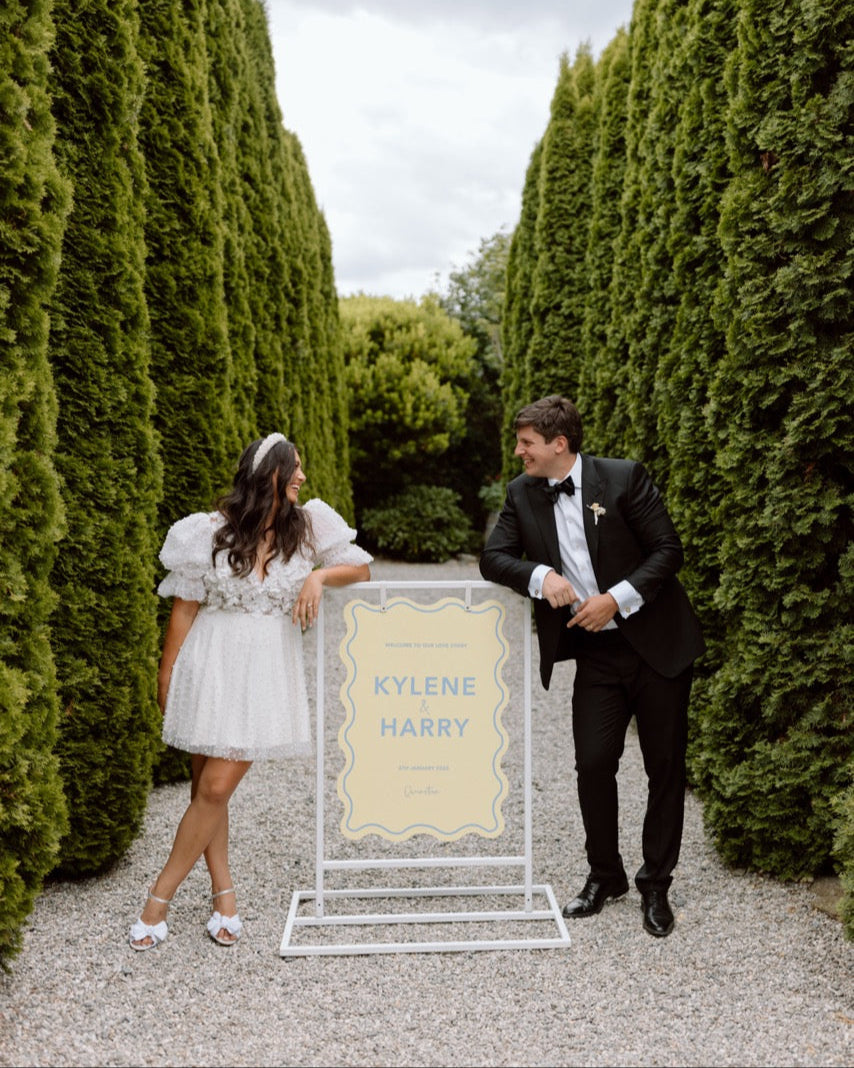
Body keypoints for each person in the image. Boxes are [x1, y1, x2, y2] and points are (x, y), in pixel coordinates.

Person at [129, 433, 372, 950]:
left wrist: (319, 579)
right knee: (206, 792)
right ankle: (225, 900)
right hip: (209, 665)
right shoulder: (209, 532)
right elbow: (186, 607)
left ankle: (158, 900)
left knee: (216, 789)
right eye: (296, 469)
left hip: (266, 672)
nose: (304, 477)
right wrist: (166, 674)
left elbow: (361, 567)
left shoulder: (305, 529)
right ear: (271, 476)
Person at [479, 396, 705, 937]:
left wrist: (617, 598)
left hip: (658, 645)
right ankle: (607, 875)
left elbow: (668, 550)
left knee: (663, 768)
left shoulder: (624, 479)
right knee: (593, 763)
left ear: (559, 444)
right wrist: (540, 577)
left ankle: (656, 885)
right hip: (596, 655)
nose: (519, 452)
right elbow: (493, 558)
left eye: (527, 443)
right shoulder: (520, 493)